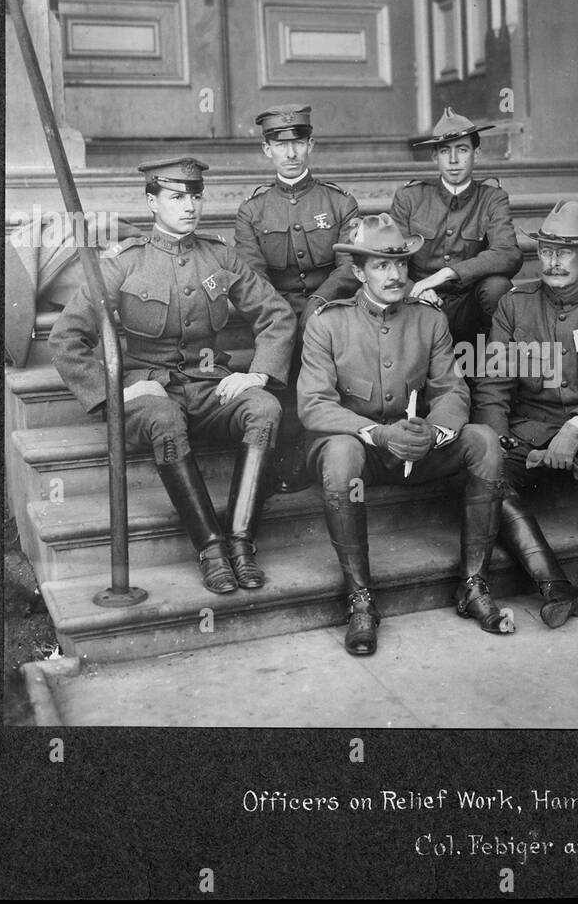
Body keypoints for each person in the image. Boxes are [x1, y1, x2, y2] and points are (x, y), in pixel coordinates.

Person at [50, 157, 296, 596]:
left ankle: (241, 542)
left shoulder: (220, 256)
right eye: (176, 197)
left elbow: (276, 315)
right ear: (151, 201)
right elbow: (66, 338)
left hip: (207, 385)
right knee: (163, 416)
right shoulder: (123, 263)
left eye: (196, 196)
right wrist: (118, 393)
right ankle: (211, 548)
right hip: (148, 391)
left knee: (265, 408)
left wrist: (258, 375)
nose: (190, 206)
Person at [298, 214, 513, 656]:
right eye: (380, 265)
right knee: (339, 454)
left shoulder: (429, 319)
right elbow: (314, 405)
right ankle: (360, 600)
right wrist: (377, 435)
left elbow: (453, 389)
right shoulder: (327, 322)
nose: (395, 274)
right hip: (365, 452)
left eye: (399, 263)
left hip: (417, 449)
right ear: (358, 273)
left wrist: (432, 433)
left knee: (484, 442)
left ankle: (474, 585)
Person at [474, 200, 578, 625]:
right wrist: (502, 439)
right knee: (488, 471)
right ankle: (554, 584)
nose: (553, 262)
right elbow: (493, 384)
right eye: (547, 250)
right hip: (532, 426)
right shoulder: (515, 305)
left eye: (564, 252)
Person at [234, 104, 363, 494]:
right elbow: (251, 277)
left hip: (334, 306)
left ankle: (339, 449)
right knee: (282, 337)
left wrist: (320, 302)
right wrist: (284, 315)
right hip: (278, 310)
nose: (290, 154)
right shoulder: (252, 210)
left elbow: (349, 267)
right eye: (279, 144)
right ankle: (288, 451)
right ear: (266, 149)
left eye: (298, 143)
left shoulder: (340, 202)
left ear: (311, 145)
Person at [389, 106, 523, 346]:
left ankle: (493, 371)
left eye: (462, 150)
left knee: (497, 287)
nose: (453, 160)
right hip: (420, 303)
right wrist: (415, 289)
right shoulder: (409, 197)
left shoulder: (492, 198)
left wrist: (447, 274)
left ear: (477, 153)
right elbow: (390, 257)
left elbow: (509, 253)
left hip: (469, 306)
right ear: (434, 157)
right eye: (444, 151)